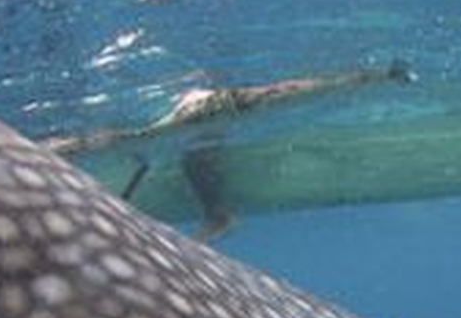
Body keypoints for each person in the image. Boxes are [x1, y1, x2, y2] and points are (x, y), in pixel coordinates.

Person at [44, 59, 415, 238]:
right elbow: (306, 89)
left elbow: (302, 89)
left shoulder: (221, 108)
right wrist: (374, 78)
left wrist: (375, 77)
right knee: (191, 154)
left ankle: (218, 217)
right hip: (200, 115)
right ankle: (218, 216)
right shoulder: (214, 113)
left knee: (180, 149)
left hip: (201, 113)